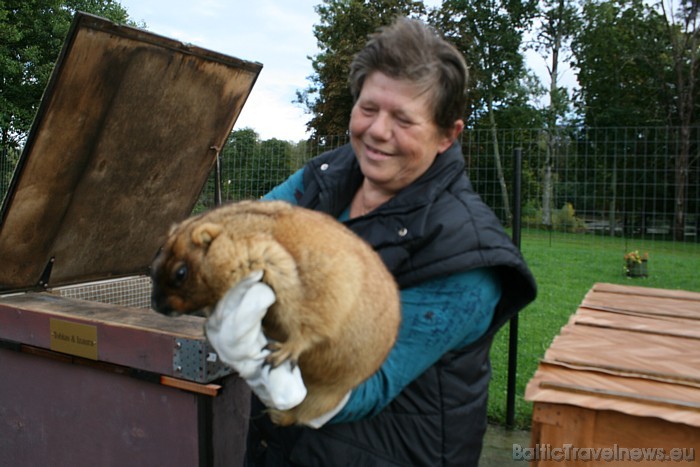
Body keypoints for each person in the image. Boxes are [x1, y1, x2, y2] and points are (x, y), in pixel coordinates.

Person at [245, 16, 537, 466]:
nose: (378, 131)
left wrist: (251, 345)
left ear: (447, 135)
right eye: (368, 108)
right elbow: (246, 231)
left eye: (403, 119)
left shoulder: (466, 259)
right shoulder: (329, 176)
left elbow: (359, 385)